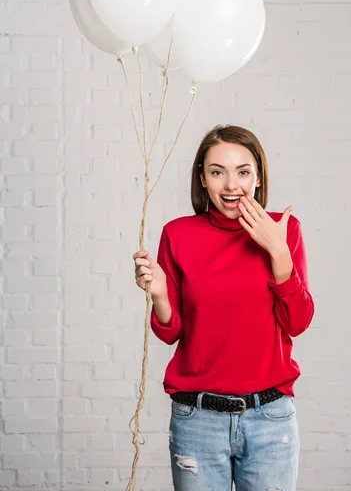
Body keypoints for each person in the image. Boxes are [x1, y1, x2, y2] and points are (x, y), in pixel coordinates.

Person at [133, 124, 314, 491]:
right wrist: (160, 297)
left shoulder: (285, 230)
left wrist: (277, 252)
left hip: (270, 418)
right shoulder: (178, 234)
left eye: (243, 172)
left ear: (258, 177)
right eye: (218, 172)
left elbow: (297, 322)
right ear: (202, 178)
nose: (232, 185)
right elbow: (172, 332)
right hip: (197, 420)